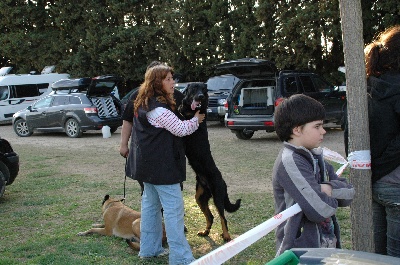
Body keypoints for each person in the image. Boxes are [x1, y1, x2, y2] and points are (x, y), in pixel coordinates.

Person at [127, 64, 204, 264]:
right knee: (174, 212)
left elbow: (169, 123)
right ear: (157, 82)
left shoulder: (143, 103)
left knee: (150, 208)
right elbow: (180, 129)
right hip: (163, 169)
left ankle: (149, 249)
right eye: (168, 79)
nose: (173, 83)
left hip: (148, 168)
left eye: (172, 78)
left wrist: (191, 110)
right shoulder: (158, 110)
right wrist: (196, 119)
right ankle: (181, 258)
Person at [272, 94, 354, 257]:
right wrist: (326, 193)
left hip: (325, 249)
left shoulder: (316, 157)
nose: (323, 131)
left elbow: (349, 194)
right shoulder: (290, 162)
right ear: (296, 129)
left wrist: (328, 189)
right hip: (300, 254)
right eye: (317, 126)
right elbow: (321, 210)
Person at [362, 25, 400, 257]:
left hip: (372, 182)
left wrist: (374, 168)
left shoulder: (364, 87)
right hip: (394, 185)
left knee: (377, 257)